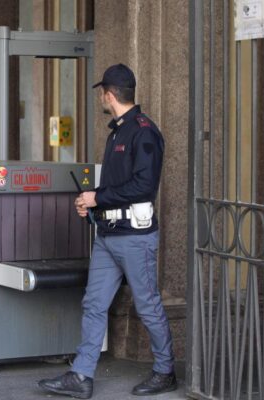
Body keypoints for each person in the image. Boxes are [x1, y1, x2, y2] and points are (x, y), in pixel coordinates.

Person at [38, 64, 176, 399]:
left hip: (134, 236)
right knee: (94, 303)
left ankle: (164, 370)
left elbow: (144, 186)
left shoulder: (144, 132)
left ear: (109, 94)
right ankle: (82, 375)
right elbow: (118, 185)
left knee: (147, 305)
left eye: (102, 92)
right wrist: (93, 203)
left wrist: (97, 196)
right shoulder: (118, 131)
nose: (101, 97)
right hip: (108, 234)